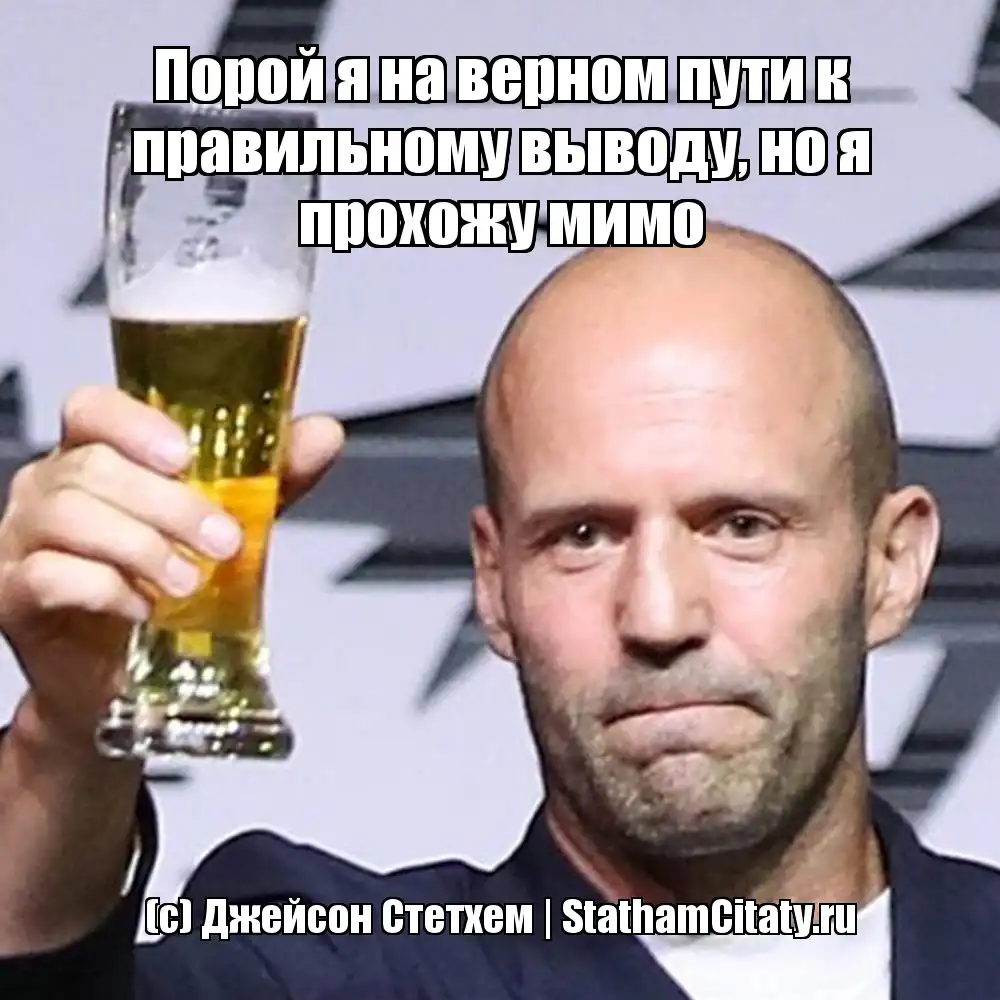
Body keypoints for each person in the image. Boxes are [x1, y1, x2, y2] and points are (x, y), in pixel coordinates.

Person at [0, 225, 998, 1000]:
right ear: (492, 583)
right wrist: (68, 734)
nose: (659, 614)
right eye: (582, 535)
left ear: (892, 564)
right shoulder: (326, 968)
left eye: (741, 526)